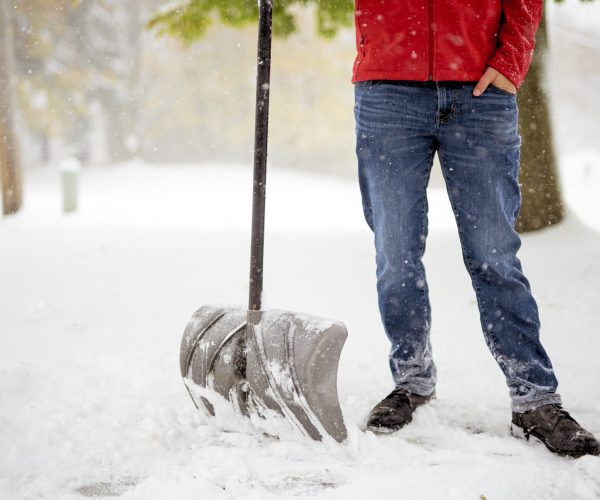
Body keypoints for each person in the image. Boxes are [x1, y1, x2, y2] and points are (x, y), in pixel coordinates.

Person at [353, 0, 599, 458]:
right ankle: (411, 381)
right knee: (395, 252)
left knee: (495, 257)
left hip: (479, 92)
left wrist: (510, 62)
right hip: (388, 93)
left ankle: (534, 400)